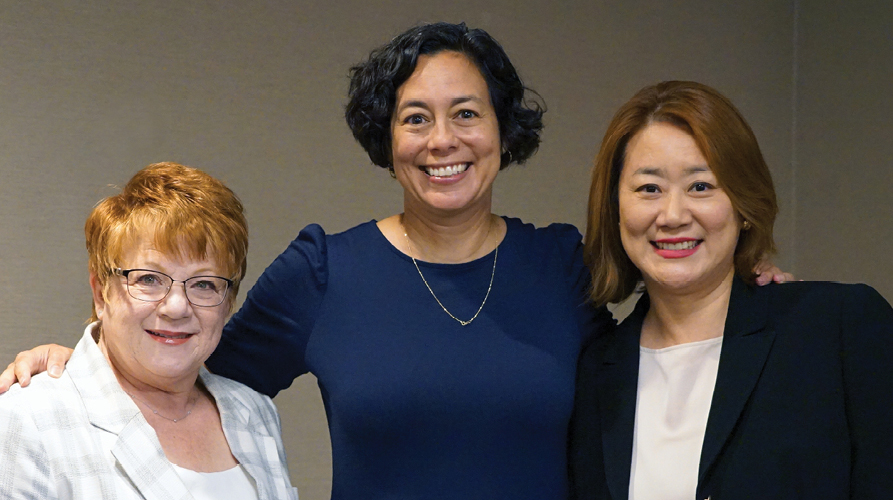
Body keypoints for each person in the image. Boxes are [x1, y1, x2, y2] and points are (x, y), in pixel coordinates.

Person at [0, 25, 788, 499]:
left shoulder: (560, 265)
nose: (442, 140)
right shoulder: (324, 272)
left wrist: (747, 296)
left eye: (466, 114)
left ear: (502, 131)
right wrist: (79, 364)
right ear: (386, 140)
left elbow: (657, 357)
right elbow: (183, 361)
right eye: (416, 118)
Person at [568, 81, 893, 499]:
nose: (672, 215)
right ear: (614, 209)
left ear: (742, 206)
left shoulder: (839, 329)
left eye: (700, 186)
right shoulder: (595, 373)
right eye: (649, 188)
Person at [0, 163, 297, 499]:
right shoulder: (29, 419)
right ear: (101, 292)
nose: (176, 308)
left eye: (203, 284)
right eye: (148, 279)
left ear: (228, 302)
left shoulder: (254, 412)